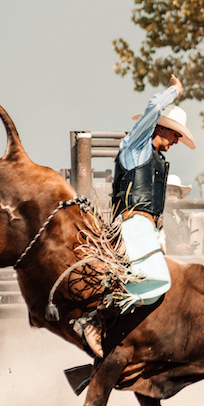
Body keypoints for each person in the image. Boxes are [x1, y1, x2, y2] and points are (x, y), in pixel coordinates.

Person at [74, 74, 196, 356]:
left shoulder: (151, 156)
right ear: (162, 128)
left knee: (159, 286)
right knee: (157, 279)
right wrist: (174, 92)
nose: (176, 140)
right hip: (133, 224)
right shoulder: (136, 147)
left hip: (146, 228)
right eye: (176, 133)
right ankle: (95, 320)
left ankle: (114, 335)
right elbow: (154, 107)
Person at [162, 174, 195, 256]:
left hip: (184, 260)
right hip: (168, 260)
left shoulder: (183, 217)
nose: (172, 193)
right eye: (169, 190)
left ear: (180, 195)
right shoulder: (160, 215)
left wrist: (189, 247)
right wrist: (174, 249)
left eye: (175, 190)